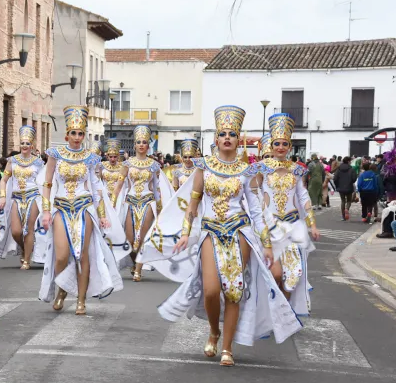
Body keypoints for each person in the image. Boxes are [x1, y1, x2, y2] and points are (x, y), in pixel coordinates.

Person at [140, 106, 301, 367]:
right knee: (212, 290)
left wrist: (267, 244)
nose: (227, 137)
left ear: (238, 140)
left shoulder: (246, 171)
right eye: (223, 133)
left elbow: (256, 210)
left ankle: (227, 347)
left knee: (234, 291)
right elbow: (193, 204)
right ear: (216, 139)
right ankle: (214, 330)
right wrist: (184, 233)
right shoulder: (203, 167)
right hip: (211, 230)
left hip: (239, 231)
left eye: (232, 134)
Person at [39, 106, 125, 315]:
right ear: (66, 134)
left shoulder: (90, 157)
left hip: (83, 207)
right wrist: (46, 211)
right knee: (62, 255)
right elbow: (47, 183)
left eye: (80, 133)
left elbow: (96, 188)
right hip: (61, 207)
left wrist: (102, 215)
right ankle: (62, 289)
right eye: (73, 133)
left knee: (82, 255)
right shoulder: (55, 154)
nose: (77, 137)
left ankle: (81, 298)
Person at [256, 113, 319, 314]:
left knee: (292, 275)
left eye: (284, 143)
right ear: (271, 146)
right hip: (271, 227)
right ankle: (272, 309)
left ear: (290, 146)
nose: (280, 147)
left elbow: (303, 197)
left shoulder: (297, 171)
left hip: (292, 226)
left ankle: (284, 314)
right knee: (274, 273)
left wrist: (312, 224)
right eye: (277, 143)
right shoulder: (262, 168)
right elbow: (252, 195)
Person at [112, 125, 173, 282]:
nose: (141, 144)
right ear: (134, 145)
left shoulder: (154, 165)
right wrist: (112, 204)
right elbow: (119, 186)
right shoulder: (127, 164)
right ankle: (134, 263)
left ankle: (139, 268)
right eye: (138, 141)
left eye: (144, 142)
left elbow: (158, 188)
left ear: (148, 145)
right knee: (131, 240)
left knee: (143, 237)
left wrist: (160, 208)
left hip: (148, 201)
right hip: (130, 202)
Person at [0, 125, 46, 269]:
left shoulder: (39, 163)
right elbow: (4, 180)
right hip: (16, 197)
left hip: (33, 196)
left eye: (27, 143)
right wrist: (3, 197)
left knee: (29, 228)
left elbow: (44, 182)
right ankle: (25, 247)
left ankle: (27, 260)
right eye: (22, 143)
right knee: (16, 231)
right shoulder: (13, 161)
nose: (24, 146)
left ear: (32, 145)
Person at [97, 137, 124, 202]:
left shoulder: (122, 166)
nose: (112, 159)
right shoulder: (102, 165)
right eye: (110, 157)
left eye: (115, 157)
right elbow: (98, 181)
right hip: (104, 196)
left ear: (118, 157)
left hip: (118, 197)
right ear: (107, 156)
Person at [333, 156, 358, 220]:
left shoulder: (339, 169)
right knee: (349, 200)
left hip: (340, 187)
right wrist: (351, 182)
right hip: (349, 187)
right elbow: (354, 178)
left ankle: (343, 216)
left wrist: (337, 185)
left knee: (343, 201)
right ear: (348, 161)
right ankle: (347, 209)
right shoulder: (351, 169)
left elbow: (335, 178)